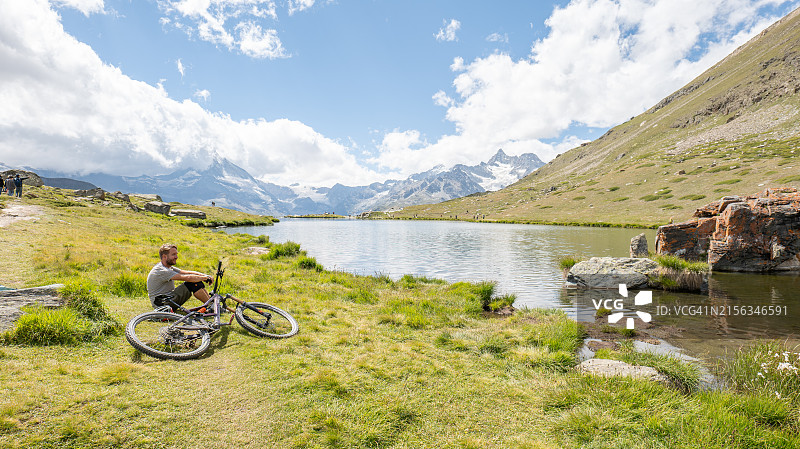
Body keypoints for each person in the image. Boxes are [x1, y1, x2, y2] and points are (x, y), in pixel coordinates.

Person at [146, 243, 213, 310]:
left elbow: (187, 272)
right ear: (164, 256)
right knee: (192, 283)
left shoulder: (168, 267)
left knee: (197, 281)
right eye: (173, 254)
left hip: (167, 300)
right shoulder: (161, 270)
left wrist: (205, 276)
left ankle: (212, 305)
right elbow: (187, 278)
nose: (176, 257)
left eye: (176, 254)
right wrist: (204, 278)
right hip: (162, 304)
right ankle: (211, 306)